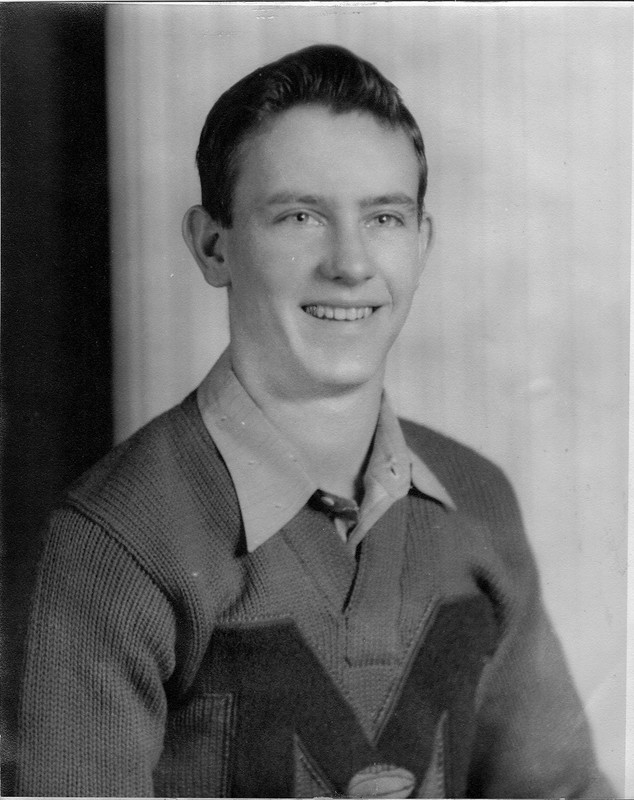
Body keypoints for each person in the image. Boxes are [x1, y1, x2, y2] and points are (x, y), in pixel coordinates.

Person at [15, 44, 613, 798]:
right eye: (299, 215)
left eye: (385, 217)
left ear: (423, 242)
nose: (350, 263)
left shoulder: (477, 497)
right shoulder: (115, 545)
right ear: (212, 244)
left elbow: (558, 789)